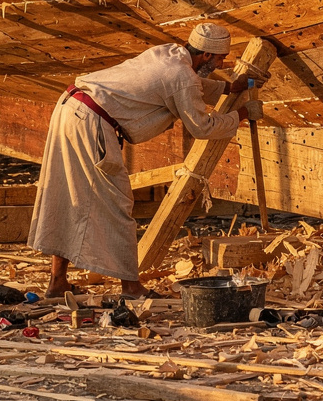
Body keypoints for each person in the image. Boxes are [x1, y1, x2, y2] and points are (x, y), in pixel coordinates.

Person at [31, 22, 263, 299]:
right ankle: (131, 287)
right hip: (91, 122)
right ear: (206, 55)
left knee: (69, 196)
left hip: (71, 108)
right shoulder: (182, 76)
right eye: (220, 59)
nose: (221, 64)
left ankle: (57, 283)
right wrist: (242, 114)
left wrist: (230, 87)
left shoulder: (168, 54)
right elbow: (201, 126)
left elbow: (183, 84)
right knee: (117, 204)